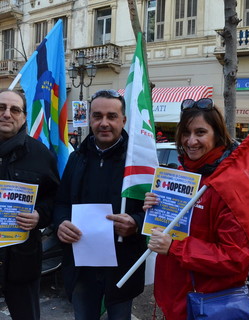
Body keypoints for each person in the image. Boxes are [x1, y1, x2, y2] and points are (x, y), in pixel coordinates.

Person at [143, 98, 249, 320]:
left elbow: (235, 258)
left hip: (208, 306)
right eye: (185, 132)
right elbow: (169, 233)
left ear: (217, 135)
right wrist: (155, 209)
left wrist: (175, 247)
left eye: (200, 132)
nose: (190, 141)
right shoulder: (181, 174)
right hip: (173, 300)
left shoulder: (229, 184)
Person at [54, 89, 147, 320]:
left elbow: (157, 212)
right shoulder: (77, 158)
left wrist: (136, 222)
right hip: (81, 267)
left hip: (123, 266)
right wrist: (61, 223)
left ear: (123, 120)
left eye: (111, 116)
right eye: (97, 116)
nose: (104, 123)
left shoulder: (139, 163)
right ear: (90, 118)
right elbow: (62, 202)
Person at [0, 89, 60, 320]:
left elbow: (56, 197)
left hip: (22, 261)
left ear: (24, 117)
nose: (7, 114)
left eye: (14, 109)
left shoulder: (40, 154)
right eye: (1, 107)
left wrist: (40, 216)